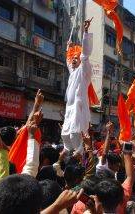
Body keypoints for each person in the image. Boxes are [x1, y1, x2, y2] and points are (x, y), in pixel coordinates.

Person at [61, 18, 93, 156]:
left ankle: (81, 157)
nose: (74, 59)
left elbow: (85, 54)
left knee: (75, 134)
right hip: (69, 107)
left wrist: (85, 32)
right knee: (65, 136)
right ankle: (68, 160)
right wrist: (68, 48)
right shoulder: (73, 71)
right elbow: (68, 60)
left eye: (76, 58)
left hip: (78, 108)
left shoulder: (84, 70)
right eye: (73, 58)